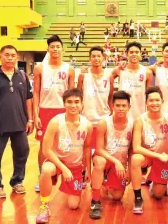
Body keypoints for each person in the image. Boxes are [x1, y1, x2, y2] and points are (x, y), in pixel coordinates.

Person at [0, 45, 34, 198]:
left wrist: (29, 119)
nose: (10, 58)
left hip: (20, 124)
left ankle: (17, 181)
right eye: (7, 55)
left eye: (13, 55)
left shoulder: (22, 76)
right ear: (0, 56)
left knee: (22, 153)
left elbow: (28, 99)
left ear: (17, 57)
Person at [35, 89, 93, 223]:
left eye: (77, 102)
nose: (73, 105)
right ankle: (44, 206)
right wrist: (63, 168)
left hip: (75, 165)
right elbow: (46, 149)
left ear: (82, 104)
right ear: (64, 104)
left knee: (73, 205)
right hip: (57, 162)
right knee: (46, 170)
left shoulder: (87, 125)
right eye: (69, 102)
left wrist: (88, 169)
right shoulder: (55, 122)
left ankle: (67, 184)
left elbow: (87, 147)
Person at [33, 35, 75, 192]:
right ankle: (42, 176)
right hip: (44, 109)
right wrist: (35, 115)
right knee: (43, 146)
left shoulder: (69, 69)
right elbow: (36, 92)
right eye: (52, 46)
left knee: (65, 144)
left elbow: (72, 95)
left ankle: (67, 175)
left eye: (58, 46)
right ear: (48, 49)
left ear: (62, 49)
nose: (55, 49)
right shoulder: (40, 68)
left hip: (63, 111)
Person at [89, 91, 133, 219]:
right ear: (112, 106)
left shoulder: (132, 124)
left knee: (117, 196)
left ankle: (104, 181)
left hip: (120, 164)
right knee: (99, 162)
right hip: (105, 159)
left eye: (124, 106)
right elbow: (98, 149)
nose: (120, 108)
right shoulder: (104, 123)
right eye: (117, 105)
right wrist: (116, 162)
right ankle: (95, 201)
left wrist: (129, 169)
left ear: (129, 107)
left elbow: (131, 150)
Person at [131, 86, 168, 214]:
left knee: (158, 195)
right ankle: (138, 198)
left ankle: (153, 180)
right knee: (135, 159)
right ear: (146, 103)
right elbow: (136, 147)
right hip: (148, 156)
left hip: (163, 158)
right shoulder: (140, 121)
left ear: (162, 101)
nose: (154, 103)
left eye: (157, 100)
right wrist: (157, 156)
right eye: (151, 100)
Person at [77, 46, 114, 156]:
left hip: (104, 119)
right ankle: (86, 172)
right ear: (90, 59)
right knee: (85, 152)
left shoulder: (109, 76)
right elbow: (78, 96)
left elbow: (111, 95)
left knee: (101, 154)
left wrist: (110, 110)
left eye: (99, 56)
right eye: (93, 56)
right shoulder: (83, 76)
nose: (96, 58)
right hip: (86, 119)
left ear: (103, 58)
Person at [112, 41, 153, 119]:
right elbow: (105, 80)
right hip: (122, 112)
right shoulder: (119, 70)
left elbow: (149, 96)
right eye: (131, 52)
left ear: (140, 54)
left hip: (140, 113)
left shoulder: (147, 72)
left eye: (137, 52)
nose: (134, 54)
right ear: (127, 54)